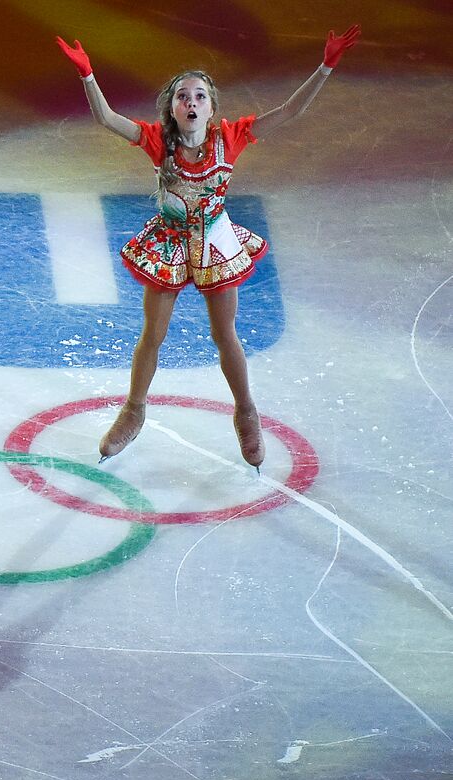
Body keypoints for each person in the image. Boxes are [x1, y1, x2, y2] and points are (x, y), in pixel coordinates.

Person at [56, 26, 361, 468]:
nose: (192, 102)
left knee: (225, 335)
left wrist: (327, 64)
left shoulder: (230, 138)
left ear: (212, 108)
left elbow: (290, 110)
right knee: (152, 335)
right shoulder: (159, 141)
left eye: (200, 96)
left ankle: (245, 411)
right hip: (171, 243)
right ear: (172, 109)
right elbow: (107, 118)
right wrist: (87, 75)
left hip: (215, 241)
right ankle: (134, 410)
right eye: (183, 96)